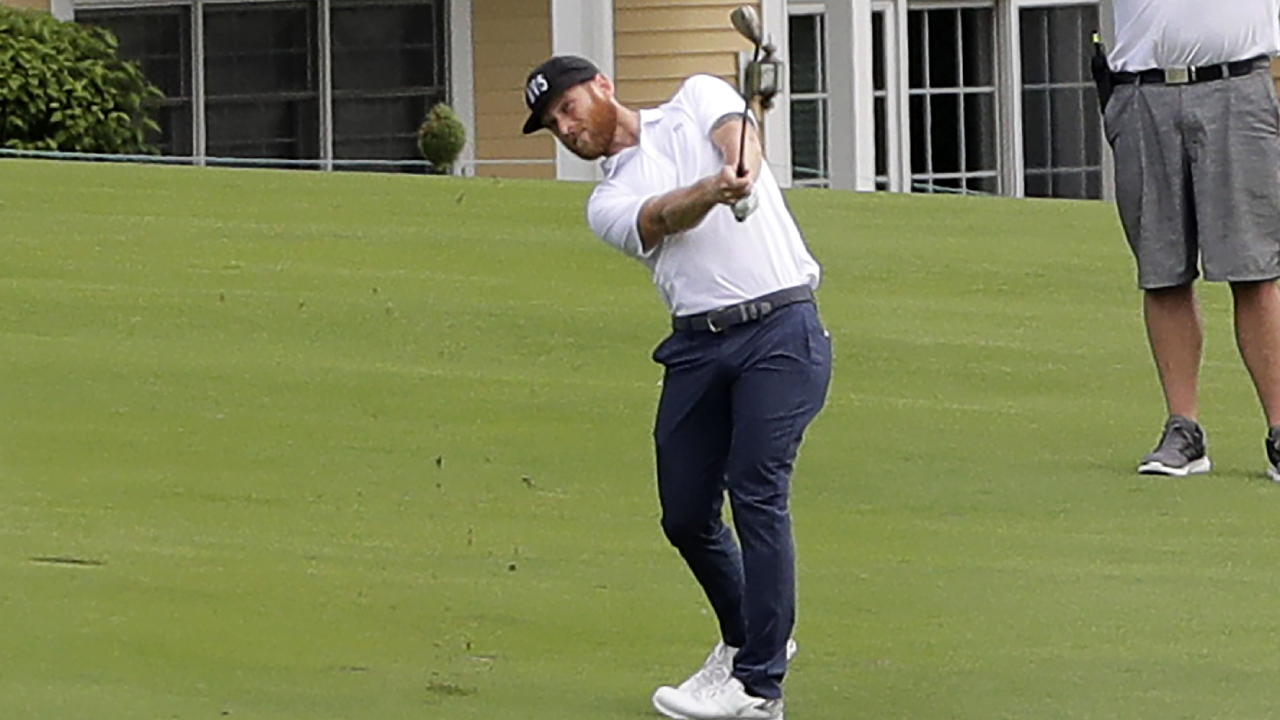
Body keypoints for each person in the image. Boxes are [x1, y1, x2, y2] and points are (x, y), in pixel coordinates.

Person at [520, 55, 831, 720]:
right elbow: (662, 216)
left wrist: (738, 166)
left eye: (567, 109)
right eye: (552, 126)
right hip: (696, 346)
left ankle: (758, 687)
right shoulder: (605, 200)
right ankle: (752, 634)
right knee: (686, 514)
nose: (565, 129)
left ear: (603, 85)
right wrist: (715, 191)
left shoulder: (695, 96)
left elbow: (735, 132)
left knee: (756, 490)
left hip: (781, 328)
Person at [1101, 0, 1280, 478]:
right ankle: (1184, 430)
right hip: (1142, 89)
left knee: (1253, 270)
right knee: (1162, 272)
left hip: (1237, 84)